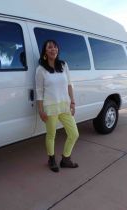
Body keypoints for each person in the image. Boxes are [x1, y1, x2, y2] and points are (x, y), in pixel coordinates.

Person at [35, 40, 79, 173]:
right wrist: (41, 110)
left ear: (57, 49)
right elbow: (39, 91)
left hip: (64, 105)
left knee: (74, 133)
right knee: (51, 135)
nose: (53, 49)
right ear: (45, 51)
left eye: (54, 47)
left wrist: (72, 102)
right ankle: (51, 159)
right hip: (50, 107)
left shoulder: (64, 65)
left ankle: (65, 159)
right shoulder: (41, 69)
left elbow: (69, 85)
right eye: (49, 47)